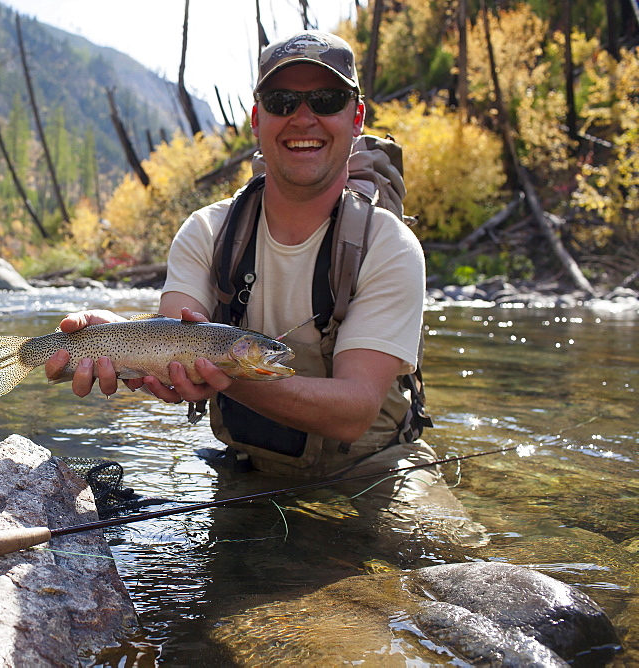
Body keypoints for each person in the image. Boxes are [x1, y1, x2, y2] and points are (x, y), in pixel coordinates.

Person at [45, 30, 487, 559]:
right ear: (258, 120)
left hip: (376, 471)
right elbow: (174, 345)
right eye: (281, 102)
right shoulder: (207, 234)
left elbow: (353, 410)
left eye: (325, 100)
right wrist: (115, 344)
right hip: (249, 469)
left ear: (357, 117)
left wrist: (223, 377)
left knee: (453, 562)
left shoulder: (387, 246)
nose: (303, 118)